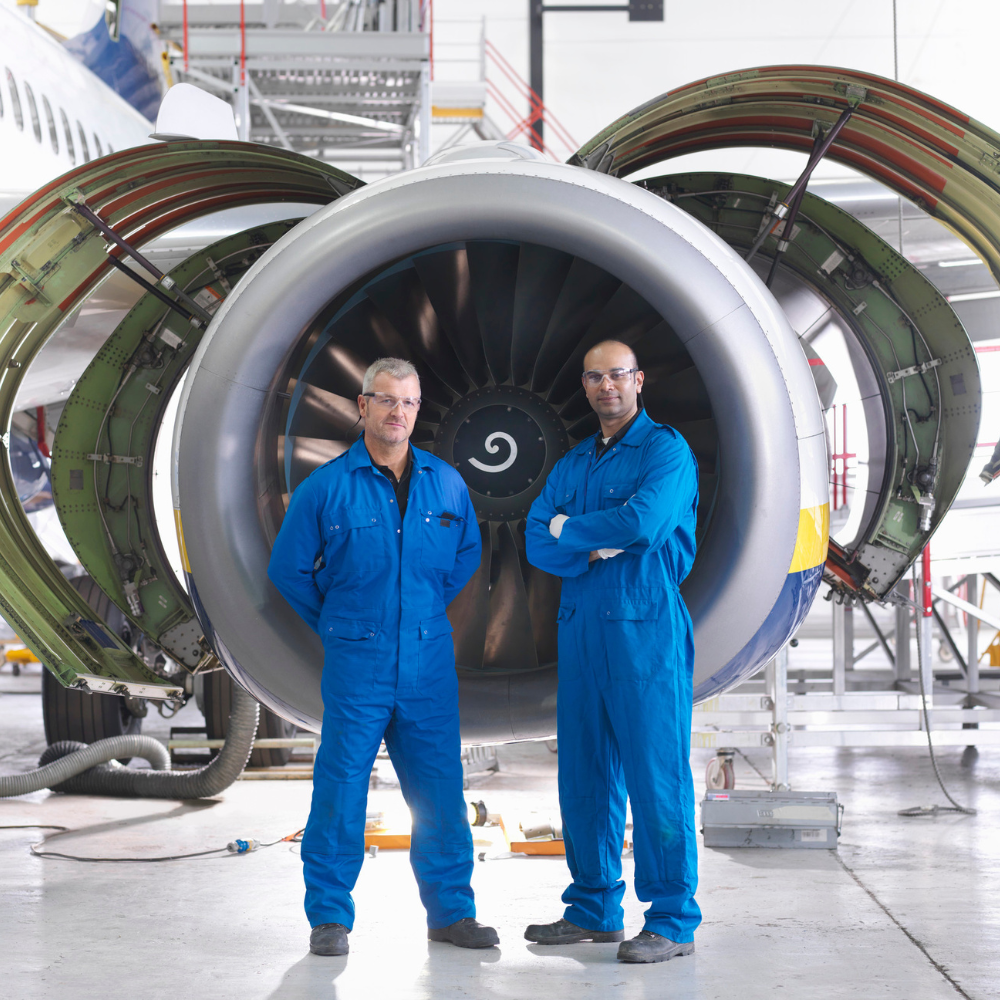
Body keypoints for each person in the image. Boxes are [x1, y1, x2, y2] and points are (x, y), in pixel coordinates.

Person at [268, 357, 498, 956]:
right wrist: (341, 623)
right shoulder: (325, 488)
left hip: (427, 663)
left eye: (410, 403)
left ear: (419, 411)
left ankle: (451, 914)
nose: (399, 413)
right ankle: (329, 918)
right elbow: (289, 570)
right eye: (387, 400)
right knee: (341, 788)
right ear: (362, 405)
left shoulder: (447, 484)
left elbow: (464, 559)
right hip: (357, 665)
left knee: (440, 792)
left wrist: (414, 616)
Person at [524, 339, 701, 964]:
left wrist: (571, 531)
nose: (607, 387)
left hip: (644, 629)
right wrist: (586, 539)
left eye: (618, 375)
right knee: (585, 775)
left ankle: (672, 919)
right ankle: (594, 908)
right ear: (585, 385)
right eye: (595, 377)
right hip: (581, 633)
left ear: (639, 379)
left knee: (657, 776)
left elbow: (646, 525)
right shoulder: (573, 463)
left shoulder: (666, 451)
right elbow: (534, 542)